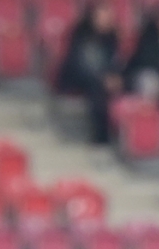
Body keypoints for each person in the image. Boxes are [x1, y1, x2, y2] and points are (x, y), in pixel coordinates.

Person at [56, 1, 124, 144]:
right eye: (103, 16)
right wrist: (102, 78)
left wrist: (114, 76)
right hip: (77, 75)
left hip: (101, 77)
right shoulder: (81, 33)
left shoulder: (112, 36)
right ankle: (100, 137)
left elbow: (113, 61)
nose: (106, 19)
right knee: (97, 89)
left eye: (109, 16)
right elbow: (81, 63)